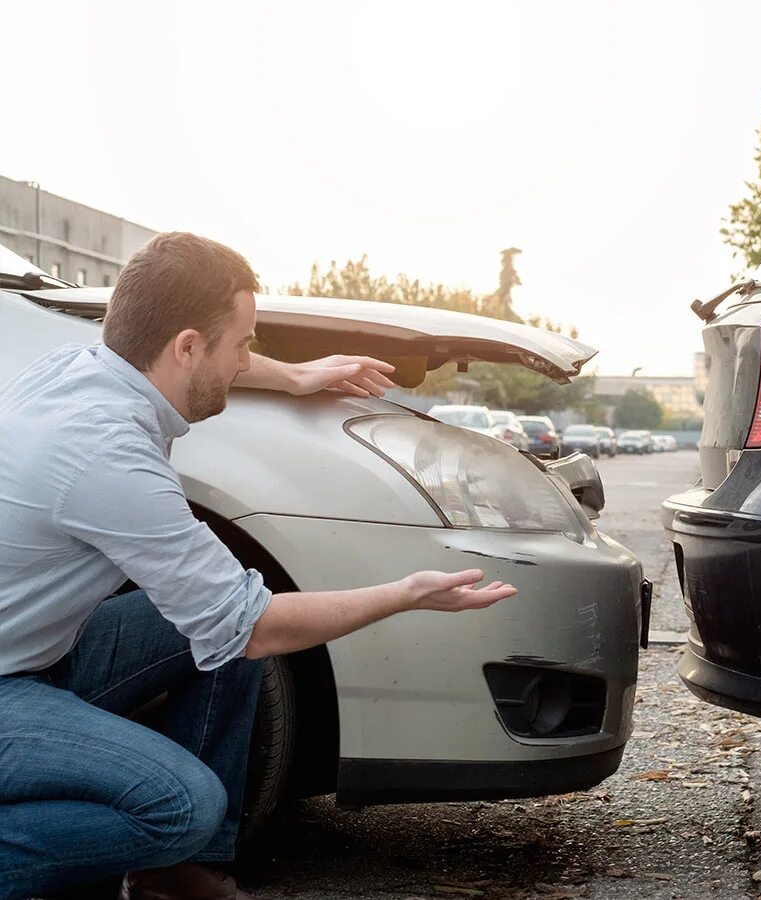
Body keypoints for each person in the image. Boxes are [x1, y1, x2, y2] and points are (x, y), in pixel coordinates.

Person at [0, 232, 518, 900]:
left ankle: (174, 878)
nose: (249, 358)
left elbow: (229, 627)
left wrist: (298, 375)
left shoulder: (82, 369)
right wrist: (404, 593)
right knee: (182, 804)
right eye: (243, 344)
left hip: (39, 658)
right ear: (187, 346)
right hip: (10, 689)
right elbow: (255, 628)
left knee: (217, 629)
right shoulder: (105, 453)